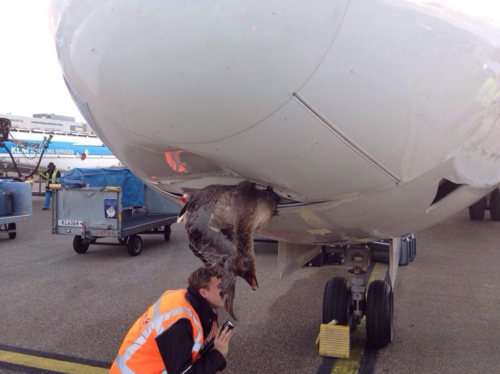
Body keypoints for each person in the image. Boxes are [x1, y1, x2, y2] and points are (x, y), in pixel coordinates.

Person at [110, 266, 232, 374]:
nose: (226, 290)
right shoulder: (180, 324)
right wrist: (217, 355)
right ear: (203, 292)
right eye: (220, 286)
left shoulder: (183, 298)